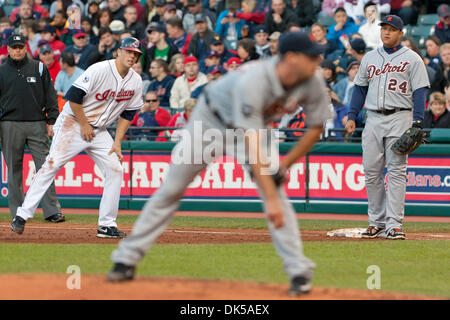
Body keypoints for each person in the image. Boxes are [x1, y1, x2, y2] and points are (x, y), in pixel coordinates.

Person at [107, 32, 333, 297]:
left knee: (278, 194)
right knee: (172, 189)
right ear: (292, 58)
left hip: (254, 127)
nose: (318, 59)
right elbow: (252, 140)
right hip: (210, 120)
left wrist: (284, 166)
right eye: (312, 55)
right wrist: (269, 197)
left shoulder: (313, 79)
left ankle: (299, 272)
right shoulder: (256, 80)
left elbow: (315, 128)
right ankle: (126, 259)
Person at [11, 37, 144, 238]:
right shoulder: (100, 70)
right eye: (128, 51)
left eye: (135, 54)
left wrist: (117, 142)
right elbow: (73, 97)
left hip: (99, 130)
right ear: (118, 52)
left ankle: (107, 225)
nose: (132, 56)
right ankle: (21, 215)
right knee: (51, 165)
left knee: (115, 168)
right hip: (73, 122)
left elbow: (128, 113)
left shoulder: (136, 81)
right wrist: (83, 124)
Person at [345, 15, 430, 240]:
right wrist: (352, 115)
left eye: (392, 29)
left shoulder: (412, 58)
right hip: (372, 117)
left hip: (400, 116)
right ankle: (377, 222)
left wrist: (418, 121)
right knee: (371, 172)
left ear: (401, 33)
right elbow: (360, 89)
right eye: (384, 28)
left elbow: (420, 91)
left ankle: (394, 224)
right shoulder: (370, 58)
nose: (386, 32)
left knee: (396, 171)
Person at [0, 34, 64, 225]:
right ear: (8, 49)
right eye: (14, 47)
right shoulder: (1, 71)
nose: (18, 50)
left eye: (20, 46)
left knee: (45, 168)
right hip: (9, 124)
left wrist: (52, 120)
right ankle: (18, 213)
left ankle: (52, 210)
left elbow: (50, 95)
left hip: (37, 123)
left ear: (26, 48)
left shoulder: (39, 67)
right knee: (13, 171)